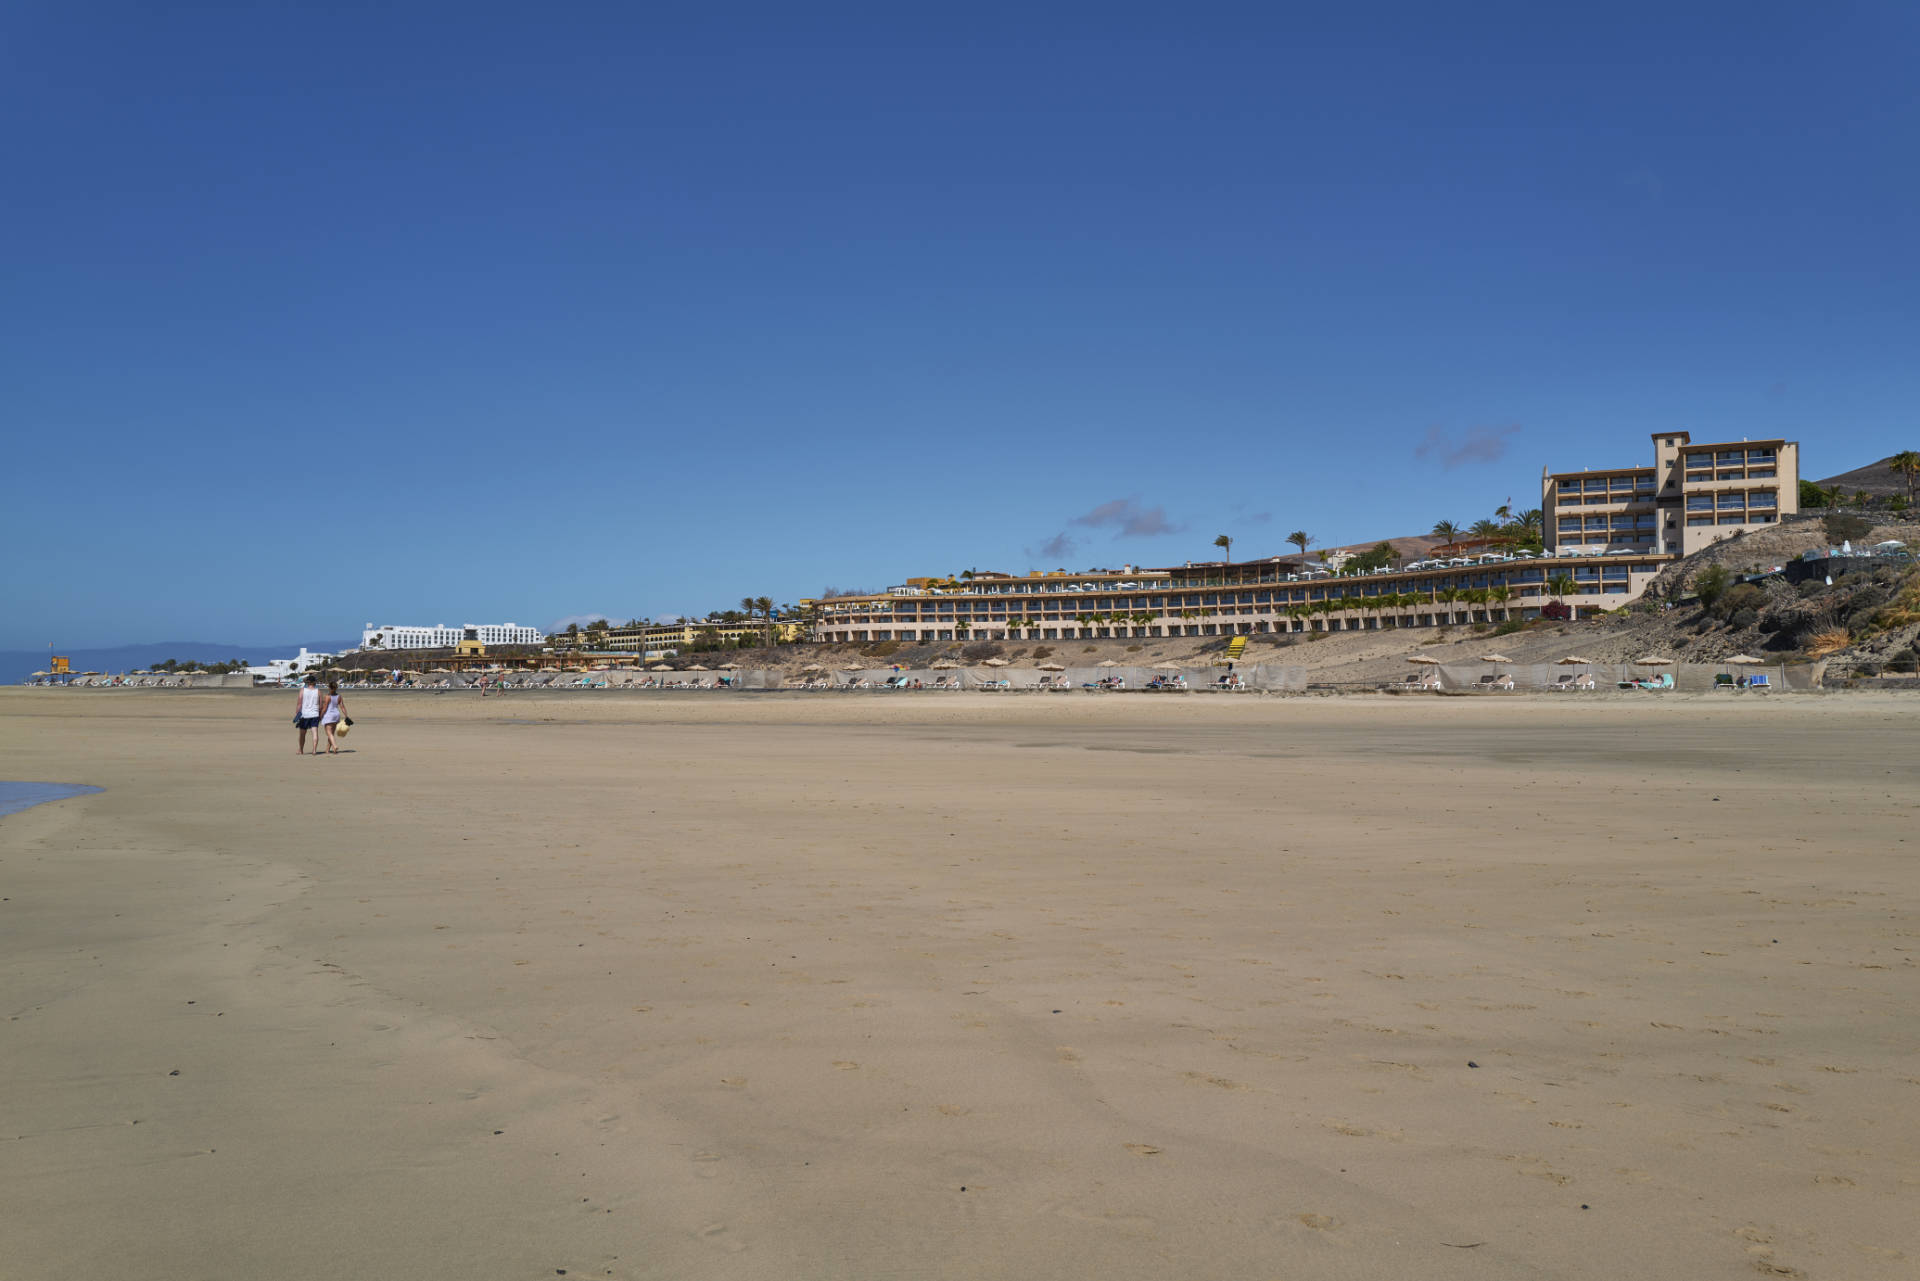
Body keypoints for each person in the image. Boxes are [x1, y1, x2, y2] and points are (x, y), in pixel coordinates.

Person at [294, 675, 322, 754]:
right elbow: (321, 706)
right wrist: (320, 714)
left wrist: (297, 713)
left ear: (307, 682)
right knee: (315, 733)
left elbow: (299, 704)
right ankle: (314, 750)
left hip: (304, 715)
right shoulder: (318, 691)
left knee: (302, 734)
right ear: (314, 682)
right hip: (315, 714)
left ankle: (301, 750)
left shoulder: (302, 690)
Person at [320, 679, 346, 755]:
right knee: (331, 734)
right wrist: (346, 715)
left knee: (329, 733)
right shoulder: (339, 696)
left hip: (329, 715)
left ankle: (334, 745)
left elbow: (324, 708)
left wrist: (321, 715)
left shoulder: (327, 697)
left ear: (329, 688)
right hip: (336, 715)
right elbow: (342, 707)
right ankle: (328, 750)